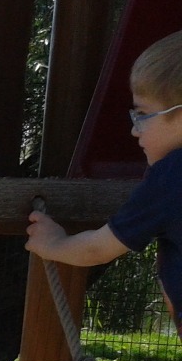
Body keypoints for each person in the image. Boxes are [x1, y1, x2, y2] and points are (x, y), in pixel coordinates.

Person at [26, 29, 182, 338]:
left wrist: (53, 243)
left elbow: (97, 249)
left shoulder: (172, 175)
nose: (135, 130)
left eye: (142, 115)